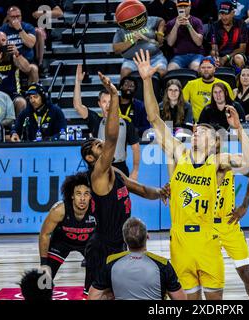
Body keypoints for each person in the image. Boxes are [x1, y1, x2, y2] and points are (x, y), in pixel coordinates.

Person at [133, 48, 249, 300]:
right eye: (196, 129)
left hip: (207, 239)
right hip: (179, 241)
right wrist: (146, 81)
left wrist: (238, 127)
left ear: (214, 141)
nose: (197, 130)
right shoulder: (179, 153)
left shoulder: (218, 163)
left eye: (203, 131)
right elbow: (154, 118)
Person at [80, 71, 170, 300]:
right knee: (98, 296)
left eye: (101, 144)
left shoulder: (115, 171)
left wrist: (159, 192)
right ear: (91, 158)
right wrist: (113, 93)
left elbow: (139, 189)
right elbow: (111, 138)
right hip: (102, 247)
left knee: (116, 295)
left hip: (120, 246)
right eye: (97, 146)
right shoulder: (98, 174)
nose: (102, 145)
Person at [89, 217, 187, 300]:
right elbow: (181, 299)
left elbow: (92, 297)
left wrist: (107, 296)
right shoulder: (163, 265)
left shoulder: (110, 263)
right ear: (147, 237)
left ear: (124, 239)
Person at [74, 65, 140, 179]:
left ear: (116, 103)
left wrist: (135, 170)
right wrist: (77, 82)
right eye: (104, 101)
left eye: (110, 101)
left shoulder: (126, 123)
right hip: (99, 166)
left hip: (120, 168)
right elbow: (78, 106)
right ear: (99, 103)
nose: (108, 105)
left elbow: (136, 148)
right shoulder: (96, 120)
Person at [38, 172, 96, 295]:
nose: (82, 198)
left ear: (91, 196)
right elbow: (44, 234)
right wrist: (43, 263)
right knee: (43, 283)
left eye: (86, 194)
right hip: (61, 242)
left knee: (97, 269)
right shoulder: (59, 210)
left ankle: (88, 294)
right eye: (78, 194)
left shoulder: (98, 209)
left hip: (88, 244)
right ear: (72, 196)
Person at [213, 161, 249, 300]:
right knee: (209, 279)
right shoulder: (198, 165)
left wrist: (244, 206)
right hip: (207, 226)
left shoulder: (229, 162)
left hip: (229, 224)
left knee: (246, 272)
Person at [0, 31, 33, 115]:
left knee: (21, 102)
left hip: (12, 94)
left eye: (3, 40)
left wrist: (17, 54)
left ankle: (18, 127)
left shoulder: (13, 57)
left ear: (7, 42)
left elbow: (27, 69)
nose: (1, 43)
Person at [9, 0, 64, 72]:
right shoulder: (20, 3)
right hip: (22, 29)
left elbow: (60, 13)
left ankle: (39, 64)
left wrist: (43, 13)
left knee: (38, 32)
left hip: (39, 30)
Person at [113, 11, 167, 79]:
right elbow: (116, 49)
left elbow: (161, 20)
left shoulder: (147, 20)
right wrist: (132, 40)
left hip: (154, 58)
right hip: (132, 61)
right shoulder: (121, 30)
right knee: (125, 73)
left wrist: (160, 32)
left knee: (162, 72)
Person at [182, 56, 235, 122]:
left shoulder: (224, 85)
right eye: (203, 67)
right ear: (199, 69)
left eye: (209, 67)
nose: (206, 70)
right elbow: (181, 104)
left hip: (220, 122)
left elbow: (232, 105)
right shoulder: (191, 84)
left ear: (214, 69)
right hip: (197, 124)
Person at [165, 0, 204, 72]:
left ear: (190, 7)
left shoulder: (197, 21)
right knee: (170, 70)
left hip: (196, 54)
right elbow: (170, 43)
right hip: (178, 56)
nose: (183, 8)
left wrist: (189, 25)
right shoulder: (171, 23)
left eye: (185, 6)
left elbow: (199, 42)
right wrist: (176, 26)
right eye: (180, 6)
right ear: (177, 8)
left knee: (196, 68)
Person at [210, 1, 248, 70]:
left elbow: (242, 49)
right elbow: (214, 48)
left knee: (238, 58)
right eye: (221, 14)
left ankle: (238, 78)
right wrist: (216, 57)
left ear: (233, 13)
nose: (223, 17)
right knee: (208, 62)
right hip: (220, 56)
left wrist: (226, 57)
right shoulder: (215, 26)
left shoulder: (241, 24)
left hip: (235, 55)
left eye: (226, 14)